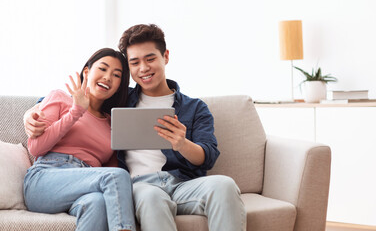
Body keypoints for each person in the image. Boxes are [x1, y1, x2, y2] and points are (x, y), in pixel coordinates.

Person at [24, 24, 246, 231]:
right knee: (150, 198)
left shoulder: (195, 108)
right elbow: (74, 102)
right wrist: (30, 114)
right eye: (135, 62)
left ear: (165, 57)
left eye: (150, 59)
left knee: (224, 185)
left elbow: (207, 157)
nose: (143, 68)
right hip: (140, 186)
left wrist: (182, 144)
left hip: (183, 183)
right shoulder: (121, 101)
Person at [23, 48, 136, 231]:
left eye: (116, 75)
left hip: (86, 185)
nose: (108, 77)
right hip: (44, 179)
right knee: (117, 177)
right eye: (103, 69)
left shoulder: (111, 123)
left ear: (118, 86)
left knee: (98, 203)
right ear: (86, 72)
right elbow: (36, 148)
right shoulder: (59, 98)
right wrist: (76, 111)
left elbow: (112, 170)